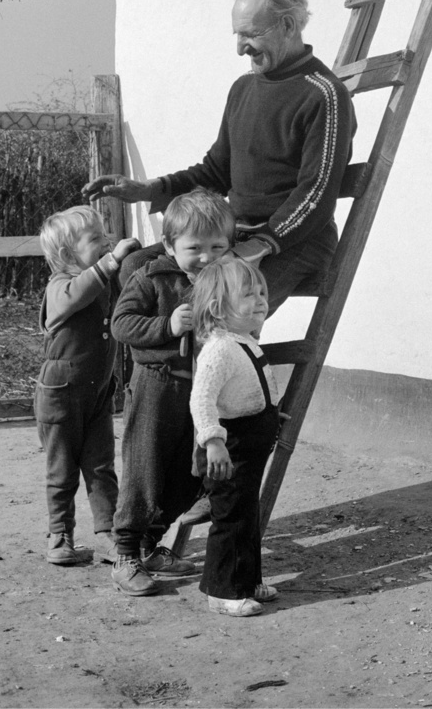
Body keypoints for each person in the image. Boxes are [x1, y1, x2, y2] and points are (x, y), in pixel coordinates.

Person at [83, 0, 355, 317]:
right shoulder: (242, 89)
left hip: (295, 244)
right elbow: (216, 171)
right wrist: (149, 190)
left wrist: (259, 245)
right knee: (135, 267)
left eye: (251, 34)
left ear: (287, 26)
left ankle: (211, 366)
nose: (241, 47)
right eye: (237, 35)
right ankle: (166, 368)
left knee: (214, 306)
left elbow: (315, 195)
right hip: (230, 237)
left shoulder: (325, 95)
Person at [108, 188, 235, 596]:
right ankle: (125, 552)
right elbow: (121, 325)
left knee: (188, 469)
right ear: (169, 245)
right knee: (144, 467)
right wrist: (167, 326)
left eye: (218, 246)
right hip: (155, 386)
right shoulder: (152, 277)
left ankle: (151, 544)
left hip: (200, 391)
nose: (207, 256)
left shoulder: (225, 281)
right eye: (195, 247)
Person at [35, 205, 139, 566]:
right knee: (61, 468)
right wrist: (109, 262)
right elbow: (74, 296)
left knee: (100, 465)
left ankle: (107, 535)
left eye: (105, 235)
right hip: (60, 394)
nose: (107, 242)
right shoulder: (59, 287)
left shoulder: (103, 282)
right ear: (67, 255)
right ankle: (59, 534)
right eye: (95, 238)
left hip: (97, 391)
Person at [189, 255, 281, 617]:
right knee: (231, 518)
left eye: (262, 292)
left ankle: (249, 580)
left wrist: (274, 408)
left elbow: (254, 386)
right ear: (218, 308)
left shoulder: (244, 341)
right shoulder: (220, 349)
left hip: (250, 447)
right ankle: (223, 591)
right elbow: (202, 398)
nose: (260, 300)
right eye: (249, 294)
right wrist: (213, 441)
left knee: (248, 513)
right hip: (228, 450)